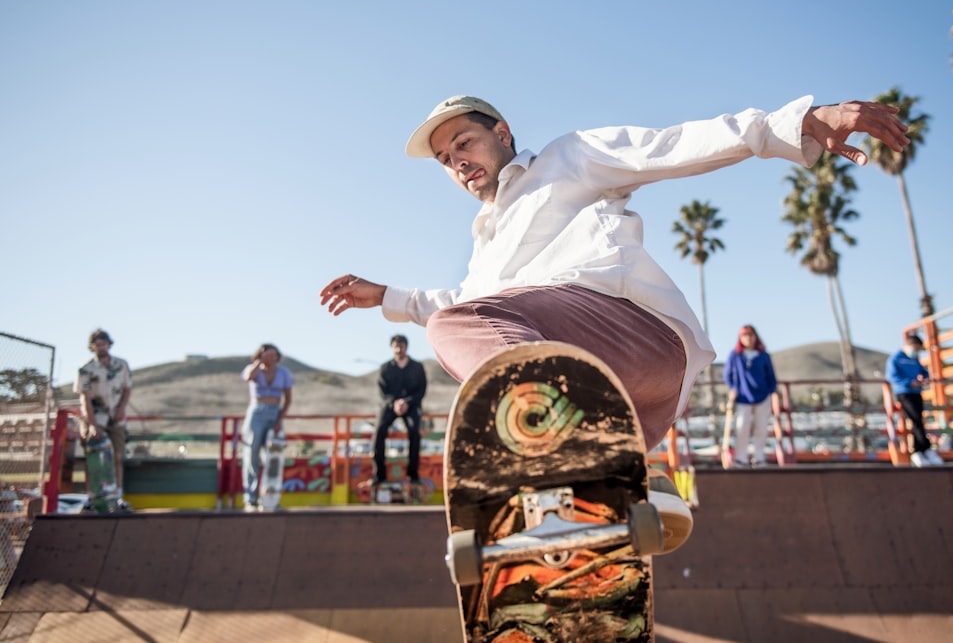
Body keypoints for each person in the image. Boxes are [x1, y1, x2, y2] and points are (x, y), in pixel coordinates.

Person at [320, 93, 910, 550]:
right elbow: (467, 307)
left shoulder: (564, 159)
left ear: (501, 133)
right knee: (458, 323)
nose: (459, 163)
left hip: (633, 331)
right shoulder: (486, 243)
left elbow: (672, 145)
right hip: (630, 392)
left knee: (457, 328)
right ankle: (626, 479)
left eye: (465, 143)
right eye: (447, 160)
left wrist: (794, 123)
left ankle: (584, 465)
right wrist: (390, 296)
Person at [74, 329, 132, 508]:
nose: (101, 347)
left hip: (115, 415)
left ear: (109, 344)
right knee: (93, 456)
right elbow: (85, 397)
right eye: (97, 344)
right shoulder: (86, 368)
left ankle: (118, 495)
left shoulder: (120, 365)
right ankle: (92, 497)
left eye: (104, 344)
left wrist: (121, 410)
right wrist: (92, 424)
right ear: (92, 347)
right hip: (95, 415)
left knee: (116, 455)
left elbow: (127, 388)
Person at [240, 343, 294, 510]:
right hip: (256, 412)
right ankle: (251, 498)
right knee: (252, 454)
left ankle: (270, 498)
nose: (272, 359)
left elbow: (288, 399)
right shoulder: (254, 369)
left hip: (274, 413)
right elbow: (248, 377)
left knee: (274, 456)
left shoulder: (283, 373)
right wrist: (259, 362)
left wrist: (279, 420)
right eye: (268, 355)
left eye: (274, 355)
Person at [373, 334, 427, 485]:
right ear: (392, 348)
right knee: (379, 430)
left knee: (414, 432)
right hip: (390, 406)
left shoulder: (417, 367)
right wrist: (394, 403)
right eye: (396, 346)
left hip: (411, 406)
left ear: (406, 347)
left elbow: (422, 390)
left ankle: (412, 474)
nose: (398, 349)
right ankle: (379, 474)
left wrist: (407, 402)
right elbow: (382, 392)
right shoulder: (385, 368)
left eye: (401, 346)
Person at [723, 325, 778, 468]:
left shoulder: (763, 356)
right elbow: (728, 375)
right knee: (742, 428)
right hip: (743, 397)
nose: (748, 338)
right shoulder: (735, 355)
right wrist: (734, 389)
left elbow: (771, 377)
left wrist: (770, 391)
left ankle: (759, 457)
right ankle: (741, 458)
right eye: (745, 335)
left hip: (763, 397)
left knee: (761, 427)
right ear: (740, 338)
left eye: (751, 335)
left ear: (756, 337)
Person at [886, 334, 942, 467]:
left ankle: (923, 449)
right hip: (904, 392)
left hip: (916, 392)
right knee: (915, 419)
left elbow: (923, 371)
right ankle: (920, 449)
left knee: (919, 420)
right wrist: (909, 383)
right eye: (915, 348)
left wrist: (924, 378)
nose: (916, 352)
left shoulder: (915, 358)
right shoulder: (895, 359)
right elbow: (892, 377)